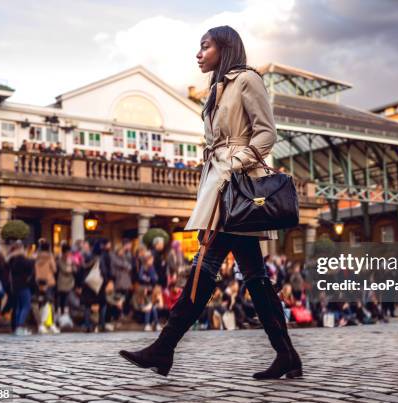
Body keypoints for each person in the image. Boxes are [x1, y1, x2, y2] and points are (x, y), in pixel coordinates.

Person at [119, 25, 302, 380]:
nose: (198, 53)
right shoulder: (217, 89)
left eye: (205, 46)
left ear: (225, 47)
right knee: (254, 275)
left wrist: (234, 164)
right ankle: (287, 356)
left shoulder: (247, 80)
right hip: (221, 186)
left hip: (235, 189)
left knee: (207, 266)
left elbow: (266, 132)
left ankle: (164, 348)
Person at [7, 240, 34, 335]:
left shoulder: (11, 259)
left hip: (15, 286)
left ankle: (17, 327)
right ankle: (20, 326)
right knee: (26, 305)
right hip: (23, 285)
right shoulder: (21, 259)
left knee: (19, 306)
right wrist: (30, 257)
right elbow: (30, 264)